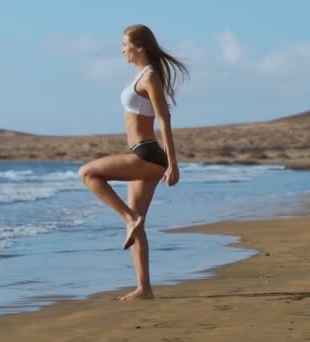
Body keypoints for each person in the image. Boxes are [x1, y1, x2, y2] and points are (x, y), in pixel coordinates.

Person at [78, 24, 189, 300]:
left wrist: (173, 163)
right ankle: (144, 287)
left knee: (88, 173)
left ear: (140, 46)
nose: (122, 49)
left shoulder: (150, 76)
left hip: (148, 154)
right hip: (145, 153)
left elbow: (164, 119)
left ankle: (129, 219)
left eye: (125, 44)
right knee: (141, 223)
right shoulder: (140, 74)